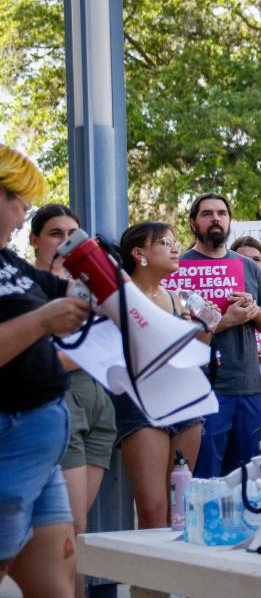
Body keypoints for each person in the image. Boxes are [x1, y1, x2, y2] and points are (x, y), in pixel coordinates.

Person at [0, 146, 91, 596]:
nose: (23, 218)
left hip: (39, 449)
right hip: (8, 447)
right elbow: (48, 313)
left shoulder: (8, 263)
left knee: (60, 575)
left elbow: (74, 295)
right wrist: (40, 320)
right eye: (21, 205)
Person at [30, 204, 116, 593]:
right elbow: (33, 357)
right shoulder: (27, 289)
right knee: (72, 529)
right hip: (61, 403)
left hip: (101, 403)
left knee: (80, 528)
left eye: (73, 235)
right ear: (34, 240)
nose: (65, 242)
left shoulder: (87, 285)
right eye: (55, 234)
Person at [115, 222, 206, 531]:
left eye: (175, 242)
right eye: (165, 243)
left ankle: (177, 579)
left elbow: (194, 349)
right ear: (139, 253)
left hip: (185, 403)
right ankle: (149, 581)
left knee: (181, 507)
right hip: (142, 405)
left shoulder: (177, 298)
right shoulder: (121, 297)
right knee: (153, 512)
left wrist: (206, 328)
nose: (175, 248)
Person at [183, 193, 261, 478]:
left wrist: (254, 312)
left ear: (229, 221)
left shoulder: (248, 266)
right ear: (193, 222)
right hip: (204, 390)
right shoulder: (179, 268)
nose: (216, 218)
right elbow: (175, 336)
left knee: (250, 480)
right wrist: (226, 321)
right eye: (207, 213)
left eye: (222, 213)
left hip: (249, 386)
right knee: (206, 479)